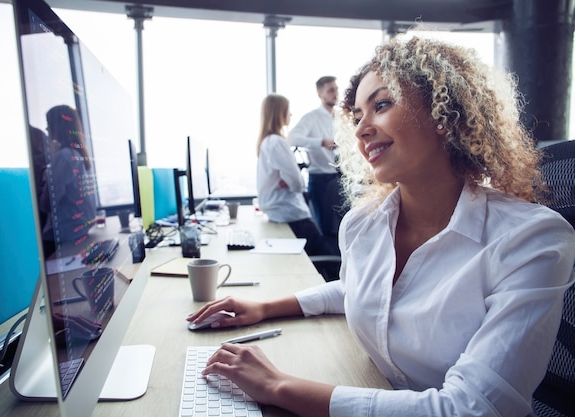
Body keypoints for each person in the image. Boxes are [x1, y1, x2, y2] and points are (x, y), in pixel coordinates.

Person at [187, 35, 575, 417]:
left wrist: (279, 386)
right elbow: (365, 287)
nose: (360, 130)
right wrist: (266, 307)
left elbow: (470, 409)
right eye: (357, 117)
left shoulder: (530, 239)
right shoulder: (362, 226)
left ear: (444, 113)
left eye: (382, 105)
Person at [255, 93, 326, 256]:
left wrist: (289, 180)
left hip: (281, 214)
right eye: (288, 111)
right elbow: (297, 183)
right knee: (324, 261)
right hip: (292, 215)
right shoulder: (277, 142)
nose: (291, 115)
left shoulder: (266, 142)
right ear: (279, 113)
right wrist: (294, 181)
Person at [40, 104, 97, 256]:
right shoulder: (79, 155)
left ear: (56, 128)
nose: (47, 131)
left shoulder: (64, 157)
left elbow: (46, 204)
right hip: (80, 230)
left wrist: (48, 175)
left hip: (66, 235)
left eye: (48, 126)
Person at [289, 76, 341, 231]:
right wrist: (321, 142)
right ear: (320, 95)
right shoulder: (311, 118)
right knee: (325, 229)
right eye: (331, 90)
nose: (335, 93)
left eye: (336, 89)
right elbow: (292, 138)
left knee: (341, 227)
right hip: (320, 181)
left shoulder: (340, 117)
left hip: (339, 178)